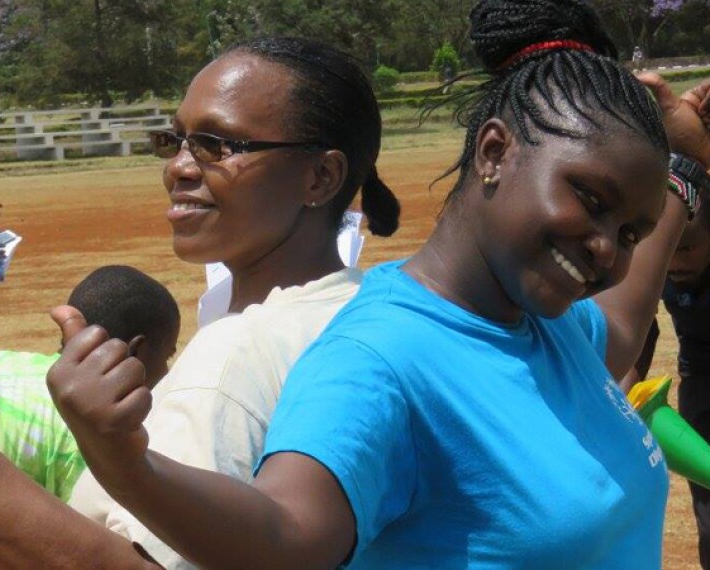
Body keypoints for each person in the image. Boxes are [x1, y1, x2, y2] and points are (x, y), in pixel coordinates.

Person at [39, 1, 710, 568]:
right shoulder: (377, 358)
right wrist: (129, 467)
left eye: (629, 233)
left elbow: (620, 329)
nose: (607, 254)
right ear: (495, 152)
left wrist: (683, 168)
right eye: (590, 200)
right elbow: (288, 532)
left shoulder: (545, 320)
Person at [0, 36, 399, 568]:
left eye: (217, 144)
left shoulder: (235, 354)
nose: (180, 167)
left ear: (321, 176)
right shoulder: (374, 309)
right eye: (176, 140)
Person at [0, 265, 180, 570]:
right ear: (138, 351)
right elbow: (72, 556)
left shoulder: (0, 366)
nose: (168, 374)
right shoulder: (91, 427)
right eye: (168, 356)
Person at [622, 191, 710, 567]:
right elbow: (640, 330)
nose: (675, 262)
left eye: (687, 248)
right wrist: (620, 395)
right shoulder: (659, 266)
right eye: (668, 250)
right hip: (701, 373)